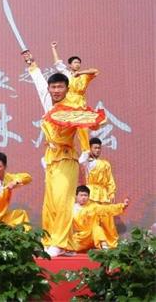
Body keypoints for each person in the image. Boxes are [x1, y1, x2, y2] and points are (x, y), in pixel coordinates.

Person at [26, 54, 104, 257]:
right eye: (53, 87)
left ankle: (59, 243)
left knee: (62, 202)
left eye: (60, 87)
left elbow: (86, 125)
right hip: (51, 160)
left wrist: (87, 148)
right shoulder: (49, 103)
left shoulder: (72, 108)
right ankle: (56, 242)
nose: (56, 90)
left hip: (67, 160)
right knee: (50, 203)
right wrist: (32, 65)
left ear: (67, 89)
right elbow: (39, 84)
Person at [51, 42, 99, 151]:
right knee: (60, 124)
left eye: (79, 63)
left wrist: (80, 73)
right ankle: (56, 146)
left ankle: (86, 151)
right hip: (67, 103)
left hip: (80, 103)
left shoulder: (84, 76)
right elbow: (57, 63)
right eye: (75, 62)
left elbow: (95, 71)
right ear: (70, 65)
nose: (77, 64)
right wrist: (53, 48)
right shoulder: (67, 73)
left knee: (82, 126)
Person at [79, 138, 120, 247]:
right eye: (95, 148)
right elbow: (80, 161)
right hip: (91, 193)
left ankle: (110, 243)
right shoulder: (87, 162)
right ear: (90, 148)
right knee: (92, 220)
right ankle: (96, 243)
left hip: (103, 194)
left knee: (107, 220)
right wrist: (86, 152)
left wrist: (111, 193)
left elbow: (110, 179)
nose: (97, 150)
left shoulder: (105, 163)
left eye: (99, 148)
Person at [68, 186, 128, 253]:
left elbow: (107, 209)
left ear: (88, 196)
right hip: (80, 237)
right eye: (81, 195)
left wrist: (122, 205)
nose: (83, 197)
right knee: (70, 247)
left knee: (97, 228)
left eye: (85, 195)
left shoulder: (93, 207)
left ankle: (105, 248)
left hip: (93, 236)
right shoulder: (71, 208)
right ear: (76, 196)